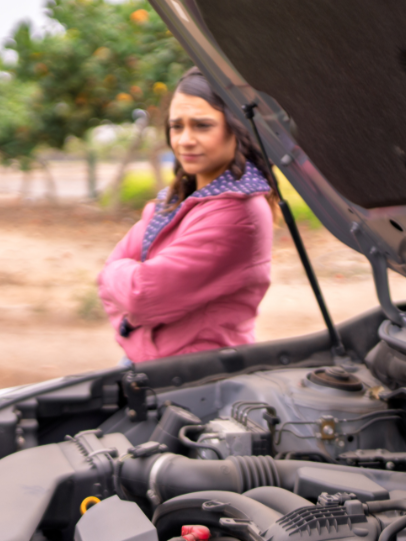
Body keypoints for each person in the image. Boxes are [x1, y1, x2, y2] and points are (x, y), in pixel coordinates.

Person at [98, 67, 276, 364]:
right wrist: (119, 277)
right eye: (176, 126)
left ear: (237, 128)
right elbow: (113, 274)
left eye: (202, 126)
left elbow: (140, 295)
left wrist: (117, 275)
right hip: (150, 360)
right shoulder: (179, 197)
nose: (184, 140)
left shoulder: (237, 213)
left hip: (195, 373)